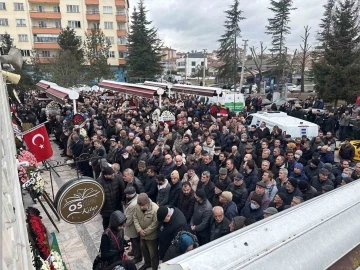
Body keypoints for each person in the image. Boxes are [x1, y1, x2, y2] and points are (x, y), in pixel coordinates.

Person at [133, 193, 159, 270]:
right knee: (144, 251)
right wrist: (139, 230)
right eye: (140, 206)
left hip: (152, 237)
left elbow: (155, 224)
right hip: (142, 235)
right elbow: (135, 217)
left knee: (153, 254)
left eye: (143, 206)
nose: (141, 207)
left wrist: (145, 232)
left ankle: (155, 267)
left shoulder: (155, 209)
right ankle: (147, 263)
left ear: (147, 203)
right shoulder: (138, 206)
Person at [123, 187, 142, 264]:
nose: (126, 196)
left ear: (129, 195)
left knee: (135, 242)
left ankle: (138, 257)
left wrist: (123, 224)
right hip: (134, 225)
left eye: (127, 195)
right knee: (133, 241)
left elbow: (129, 219)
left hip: (133, 227)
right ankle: (134, 251)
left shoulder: (132, 205)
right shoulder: (137, 196)